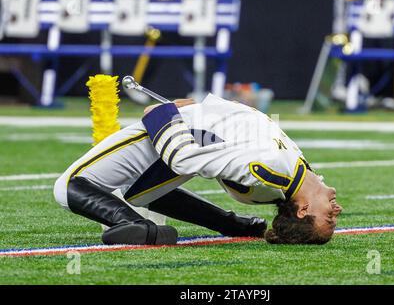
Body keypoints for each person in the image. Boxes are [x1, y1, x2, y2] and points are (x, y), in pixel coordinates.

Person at [53, 94, 342, 245]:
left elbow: (183, 159)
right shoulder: (298, 170)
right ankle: (233, 224)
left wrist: (162, 114)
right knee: (135, 194)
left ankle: (136, 225)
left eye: (329, 217)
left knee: (68, 186)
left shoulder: (268, 170)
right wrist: (206, 110)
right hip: (191, 127)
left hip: (171, 134)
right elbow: (248, 121)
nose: (337, 211)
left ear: (303, 209)